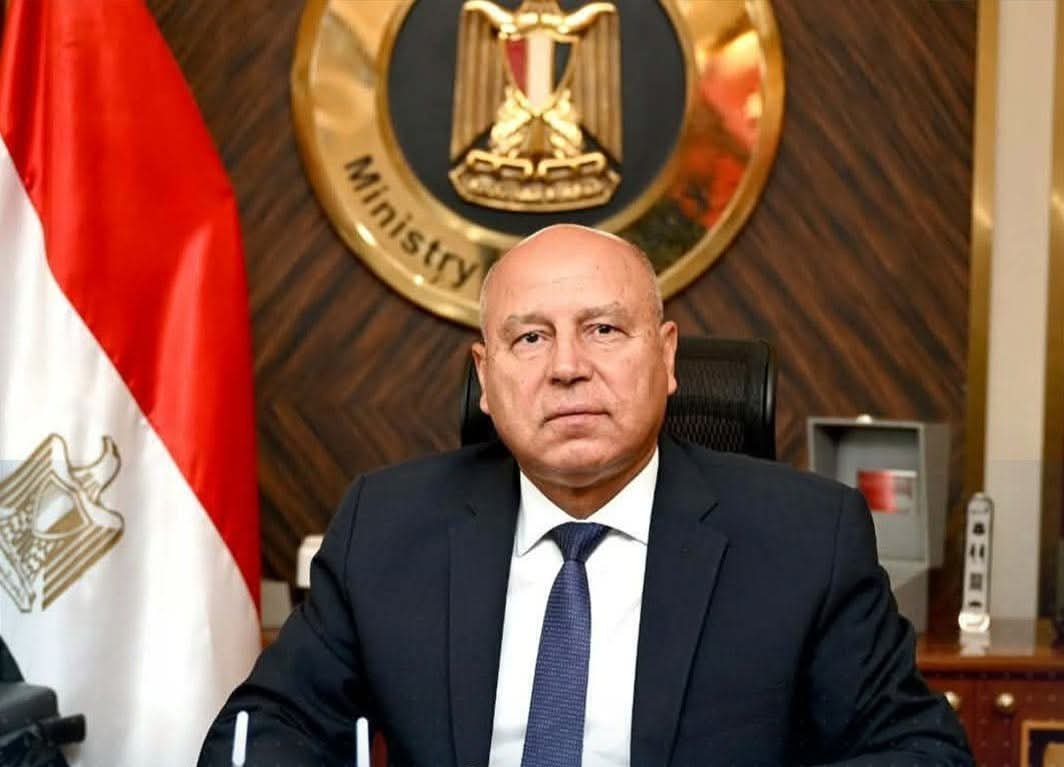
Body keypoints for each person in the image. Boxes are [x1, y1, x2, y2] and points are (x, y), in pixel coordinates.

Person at [199, 224, 972, 766]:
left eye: (603, 329)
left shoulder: (805, 538)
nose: (567, 366)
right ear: (485, 379)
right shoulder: (388, 525)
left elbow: (917, 749)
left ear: (666, 357)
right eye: (530, 337)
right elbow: (265, 727)